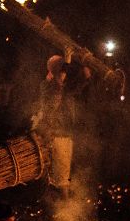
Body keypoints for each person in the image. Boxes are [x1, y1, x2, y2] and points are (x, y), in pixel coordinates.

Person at [33, 55, 91, 198]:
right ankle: (60, 210)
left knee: (64, 177)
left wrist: (85, 76)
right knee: (59, 179)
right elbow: (51, 105)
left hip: (65, 133)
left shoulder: (62, 85)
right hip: (55, 135)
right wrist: (59, 83)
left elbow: (74, 90)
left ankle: (62, 206)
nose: (64, 70)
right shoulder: (47, 84)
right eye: (61, 66)